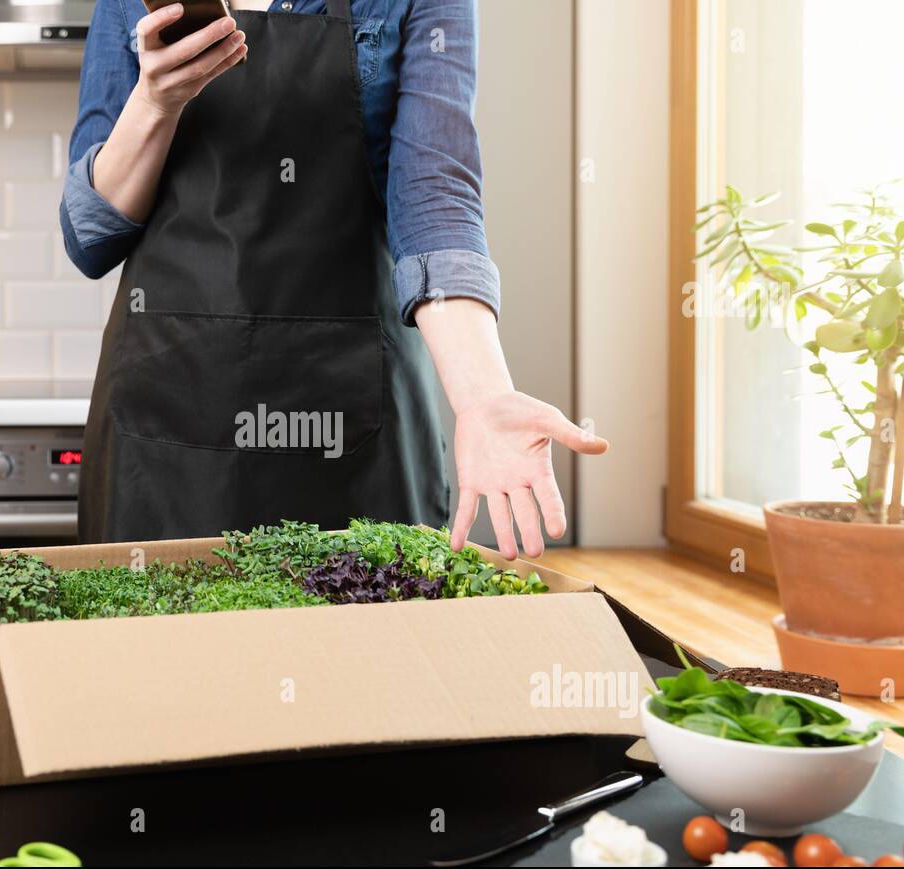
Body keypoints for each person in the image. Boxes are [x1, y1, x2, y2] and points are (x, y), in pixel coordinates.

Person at [60, 0, 608, 555]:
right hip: (166, 410)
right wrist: (156, 102)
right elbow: (91, 237)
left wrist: (484, 396)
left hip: (353, 417)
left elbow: (434, 194)